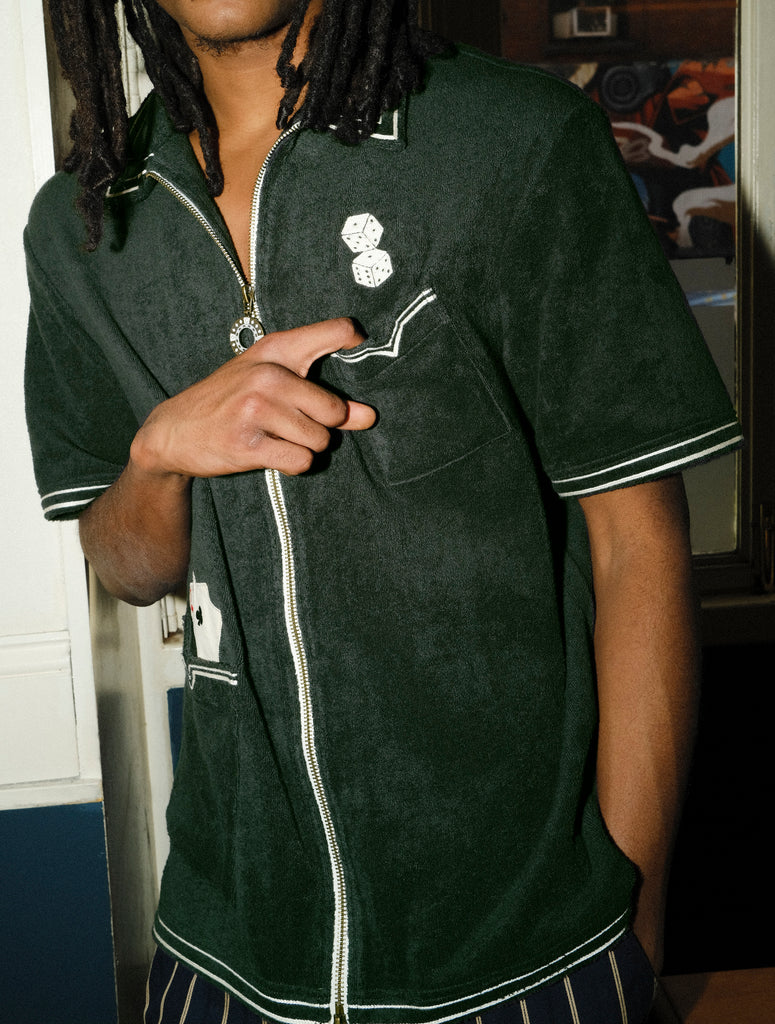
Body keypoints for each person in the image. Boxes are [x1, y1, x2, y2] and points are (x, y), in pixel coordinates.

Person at [26, 2, 742, 1023]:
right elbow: (129, 567)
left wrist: (632, 930)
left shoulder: (510, 140)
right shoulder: (83, 222)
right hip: (226, 946)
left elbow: (639, 544)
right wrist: (158, 458)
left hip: (528, 946)